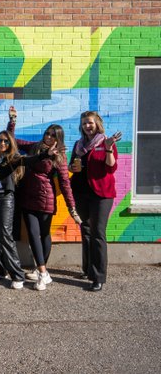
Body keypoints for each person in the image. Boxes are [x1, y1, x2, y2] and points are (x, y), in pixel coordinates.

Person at [6, 106, 81, 291]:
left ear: (58, 139)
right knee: (33, 234)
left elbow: (65, 183)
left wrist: (72, 207)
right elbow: (12, 140)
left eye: (53, 135)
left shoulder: (60, 157)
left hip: (45, 199)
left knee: (45, 234)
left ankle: (41, 270)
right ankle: (43, 272)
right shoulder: (35, 147)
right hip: (27, 197)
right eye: (47, 133)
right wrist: (12, 122)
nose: (48, 137)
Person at [0, 130, 60, 290]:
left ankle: (17, 275)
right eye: (0, 140)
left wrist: (46, 154)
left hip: (5, 199)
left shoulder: (13, 158)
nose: (2, 143)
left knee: (5, 235)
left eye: (6, 141)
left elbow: (29, 160)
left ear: (10, 143)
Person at [70, 111, 122, 292]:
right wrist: (72, 167)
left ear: (97, 124)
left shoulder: (105, 142)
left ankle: (98, 277)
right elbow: (72, 165)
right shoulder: (79, 145)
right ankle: (87, 269)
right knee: (85, 230)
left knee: (97, 233)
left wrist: (108, 148)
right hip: (81, 193)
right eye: (84, 123)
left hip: (102, 194)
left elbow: (111, 167)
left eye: (90, 122)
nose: (87, 126)